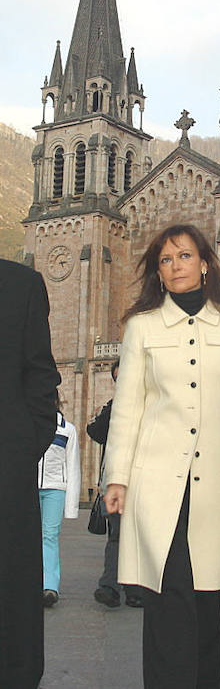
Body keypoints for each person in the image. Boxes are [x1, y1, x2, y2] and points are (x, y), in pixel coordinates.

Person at [104, 224, 220, 689]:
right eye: (166, 261)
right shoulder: (142, 327)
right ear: (158, 273)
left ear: (205, 262)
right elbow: (128, 408)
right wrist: (117, 478)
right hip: (157, 485)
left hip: (216, 484)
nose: (175, 266)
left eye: (184, 256)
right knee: (166, 601)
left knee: (207, 601)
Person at [0, 259, 59, 689]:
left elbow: (42, 375)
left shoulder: (21, 284)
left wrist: (20, 450)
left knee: (11, 592)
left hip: (6, 469)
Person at [87, 359, 143, 608]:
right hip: (117, 482)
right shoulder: (113, 407)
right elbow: (96, 433)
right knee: (118, 535)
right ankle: (110, 587)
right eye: (117, 379)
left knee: (140, 536)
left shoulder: (149, 405)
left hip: (144, 481)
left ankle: (134, 590)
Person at [38, 389, 81, 607]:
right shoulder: (30, 424)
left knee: (49, 535)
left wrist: (71, 506)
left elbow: (73, 467)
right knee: (28, 536)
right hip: (29, 486)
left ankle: (50, 586)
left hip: (55, 488)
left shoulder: (68, 430)